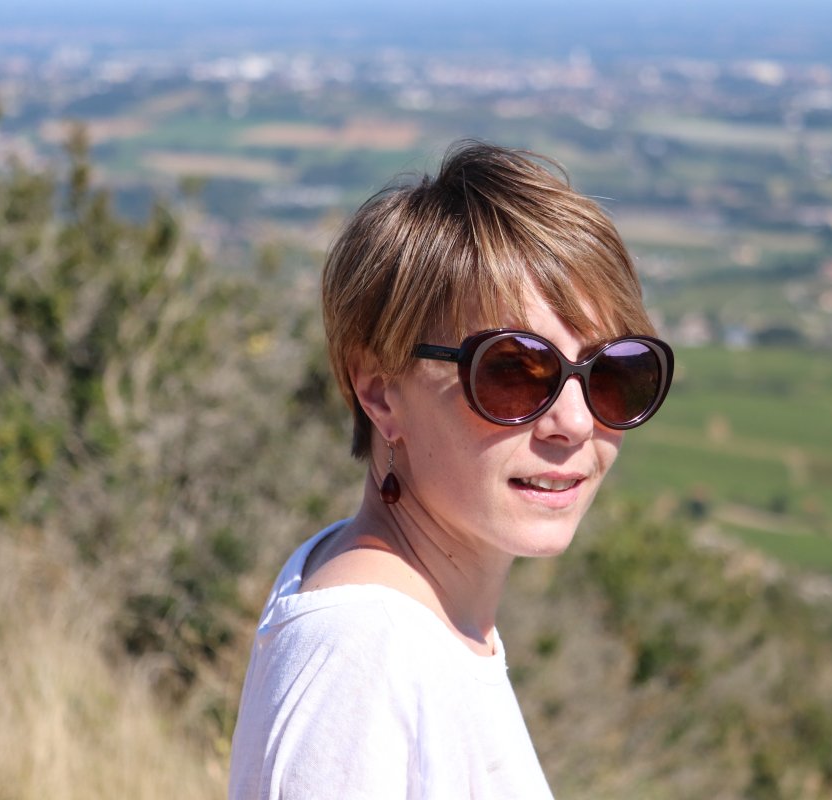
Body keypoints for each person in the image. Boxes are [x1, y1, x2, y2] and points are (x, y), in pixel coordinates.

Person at [228, 140, 674, 799]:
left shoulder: (415, 616)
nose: (576, 422)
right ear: (381, 391)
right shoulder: (364, 650)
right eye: (513, 371)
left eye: (614, 373)